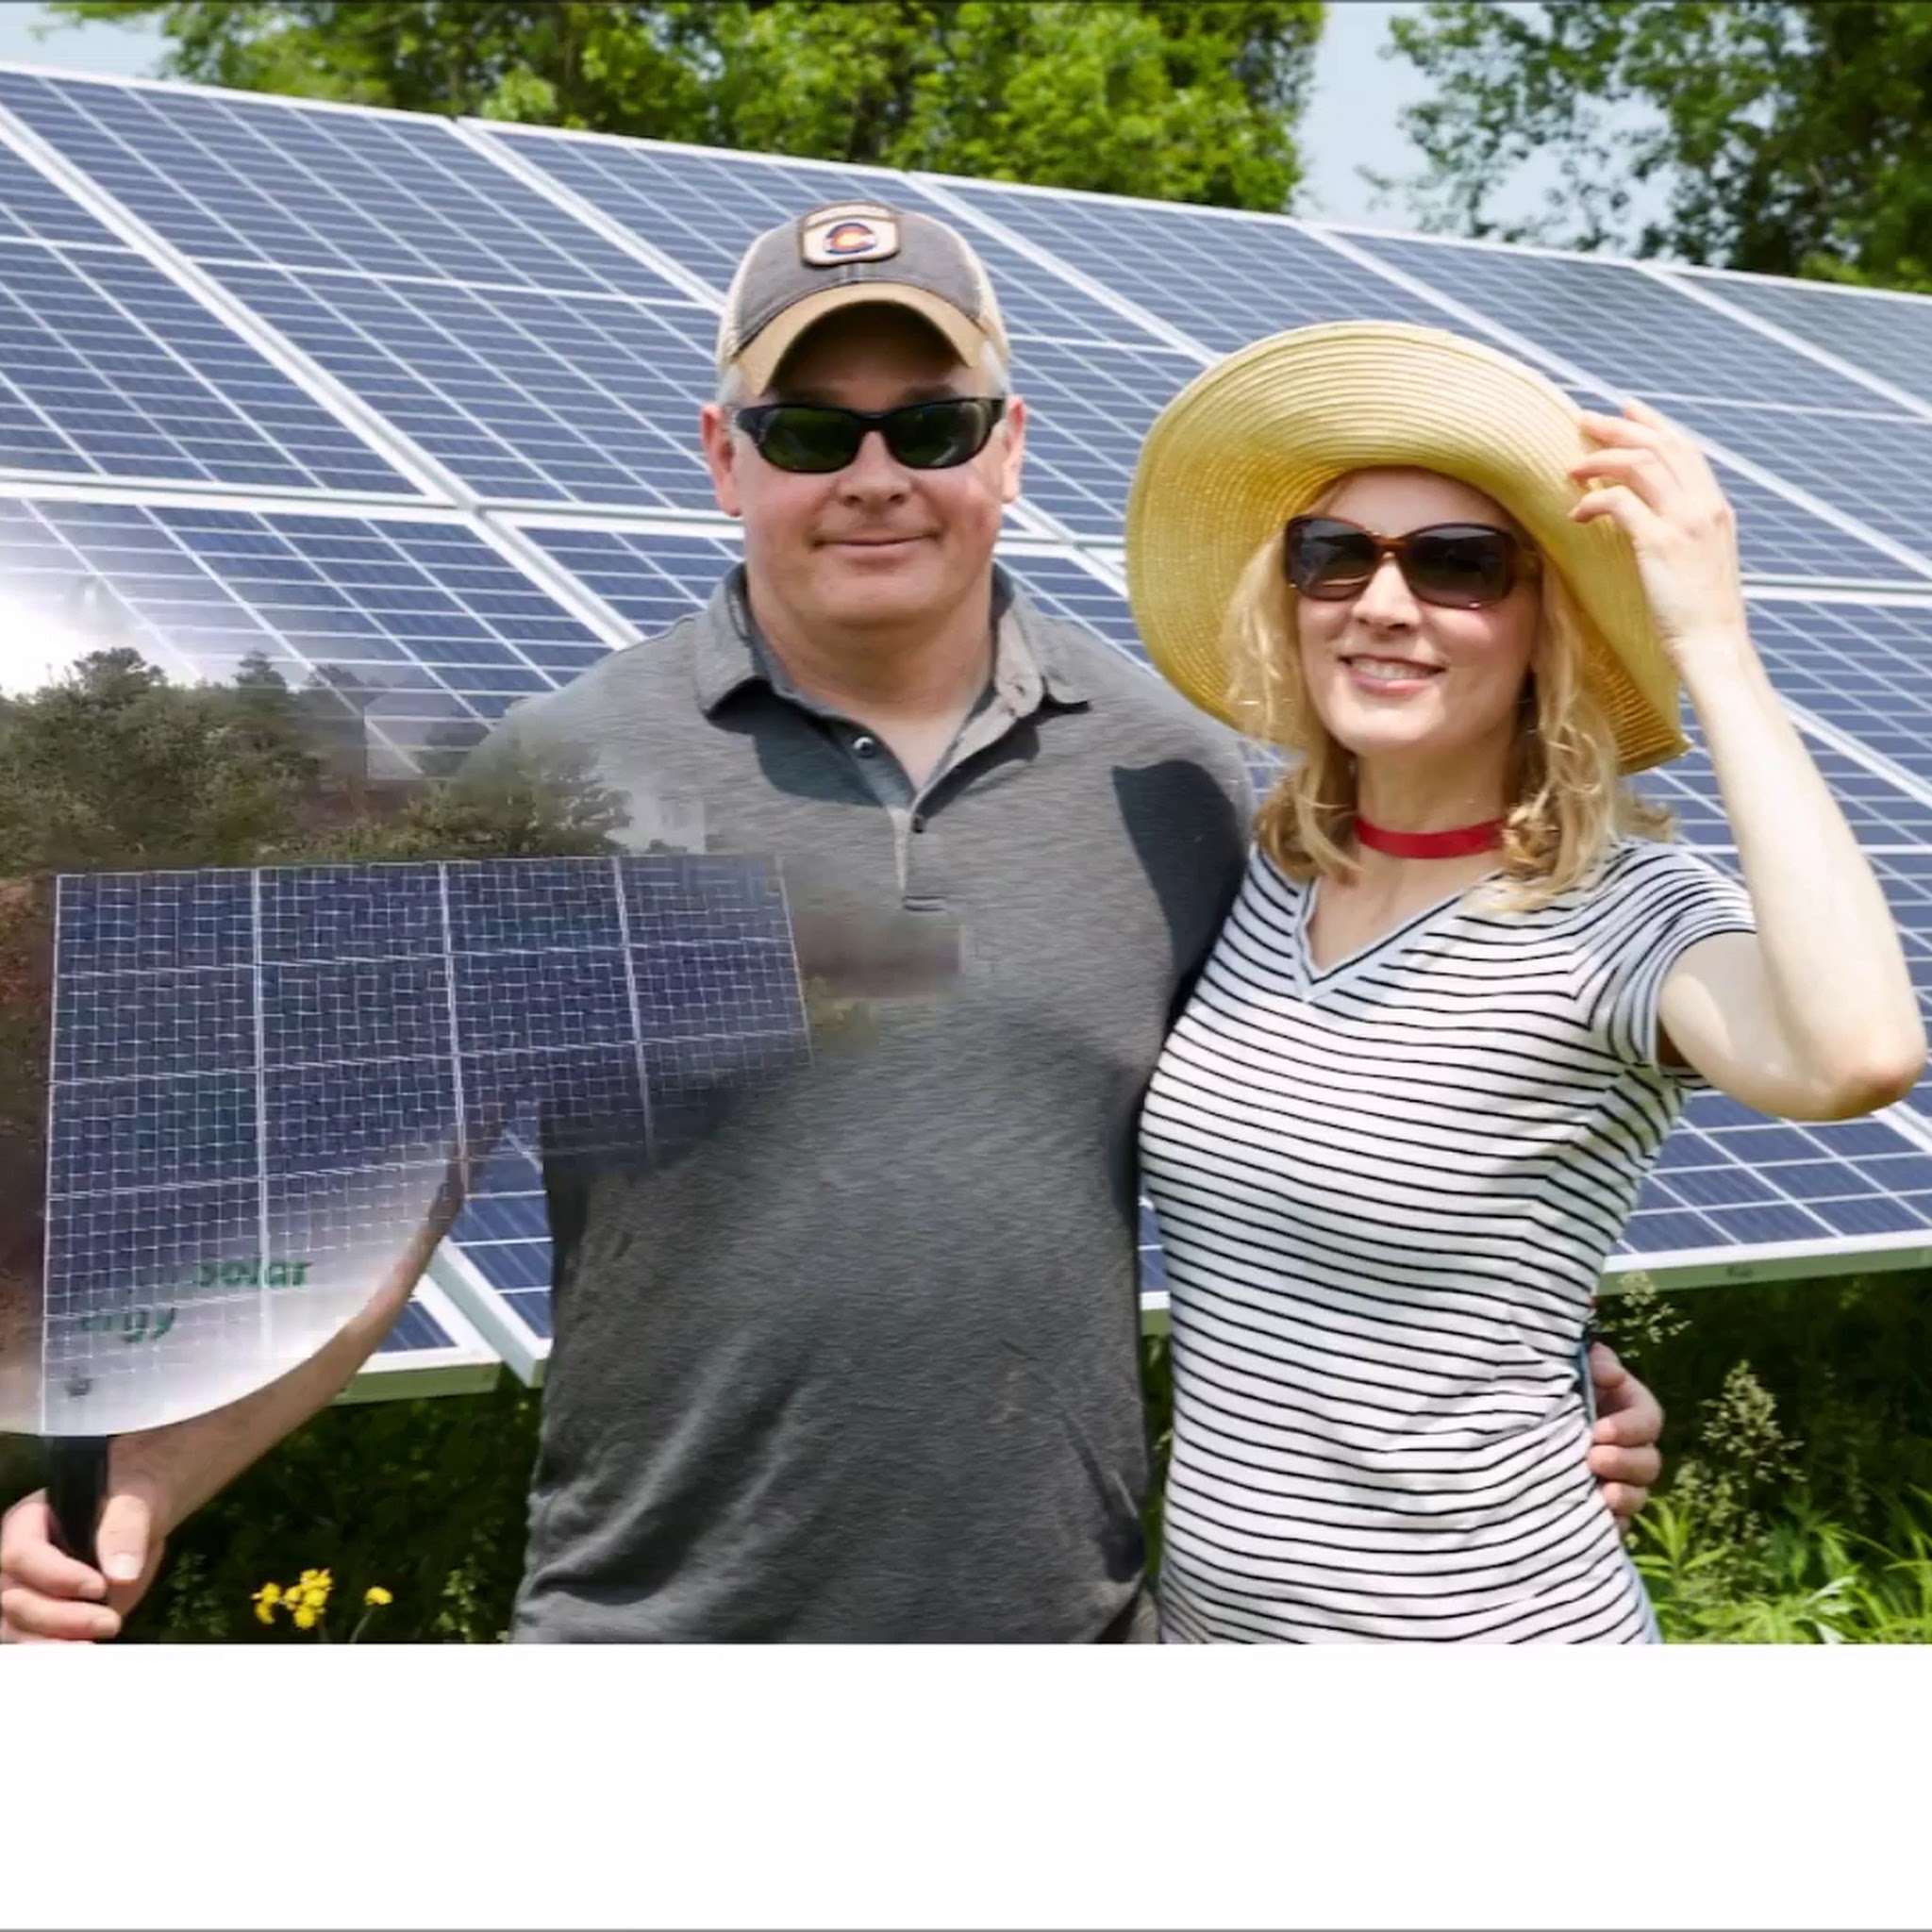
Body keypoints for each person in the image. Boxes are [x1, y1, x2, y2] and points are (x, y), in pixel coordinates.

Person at [1, 212, 1665, 1644]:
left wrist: (1521, 1382)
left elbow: (1352, 1109)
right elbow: (361, 1224)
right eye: (810, 432)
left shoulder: (1175, 777)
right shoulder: (551, 776)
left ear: (1008, 448)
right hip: (649, 1650)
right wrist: (143, 1478)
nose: (877, 480)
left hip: (1070, 1661)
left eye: (931, 428)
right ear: (725, 456)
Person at [1127, 321, 1926, 1642]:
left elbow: (1855, 1056)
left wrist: (1716, 647)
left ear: (1547, 623)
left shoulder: (1620, 913)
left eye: (1459, 564)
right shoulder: (1261, 874)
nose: (1384, 605)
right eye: (1336, 556)